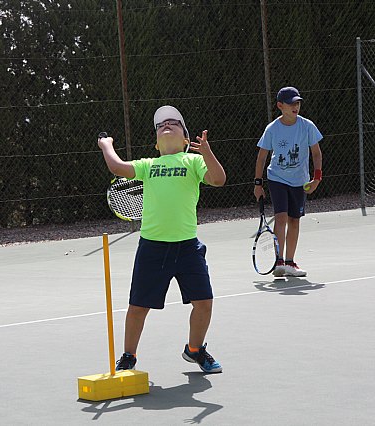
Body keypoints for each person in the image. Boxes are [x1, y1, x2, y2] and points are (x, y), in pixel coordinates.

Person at [97, 106, 226, 373]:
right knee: (138, 307)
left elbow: (219, 179)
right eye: (160, 125)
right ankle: (129, 356)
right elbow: (117, 167)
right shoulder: (148, 165)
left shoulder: (193, 162)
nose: (166, 124)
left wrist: (207, 153)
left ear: (185, 141)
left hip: (188, 247)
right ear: (156, 144)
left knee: (204, 303)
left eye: (174, 123)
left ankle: (194, 350)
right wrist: (106, 145)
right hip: (152, 248)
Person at [253, 87, 323, 277]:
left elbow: (316, 153)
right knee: (281, 217)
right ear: (280, 106)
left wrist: (317, 178)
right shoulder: (272, 129)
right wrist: (258, 184)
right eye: (291, 103)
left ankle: (290, 263)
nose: (295, 106)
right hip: (277, 178)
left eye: (297, 103)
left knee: (294, 220)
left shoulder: (307, 126)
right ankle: (279, 262)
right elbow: (261, 157)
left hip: (299, 181)